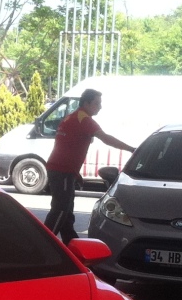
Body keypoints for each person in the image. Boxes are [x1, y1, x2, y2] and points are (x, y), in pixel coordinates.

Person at [43, 89, 134, 245]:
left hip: (62, 170)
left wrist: (74, 173)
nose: (100, 107)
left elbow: (67, 146)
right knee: (61, 210)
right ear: (86, 103)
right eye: (97, 103)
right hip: (62, 171)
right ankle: (43, 244)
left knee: (67, 211)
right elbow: (106, 138)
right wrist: (132, 149)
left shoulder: (73, 116)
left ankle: (72, 245)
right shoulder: (84, 119)